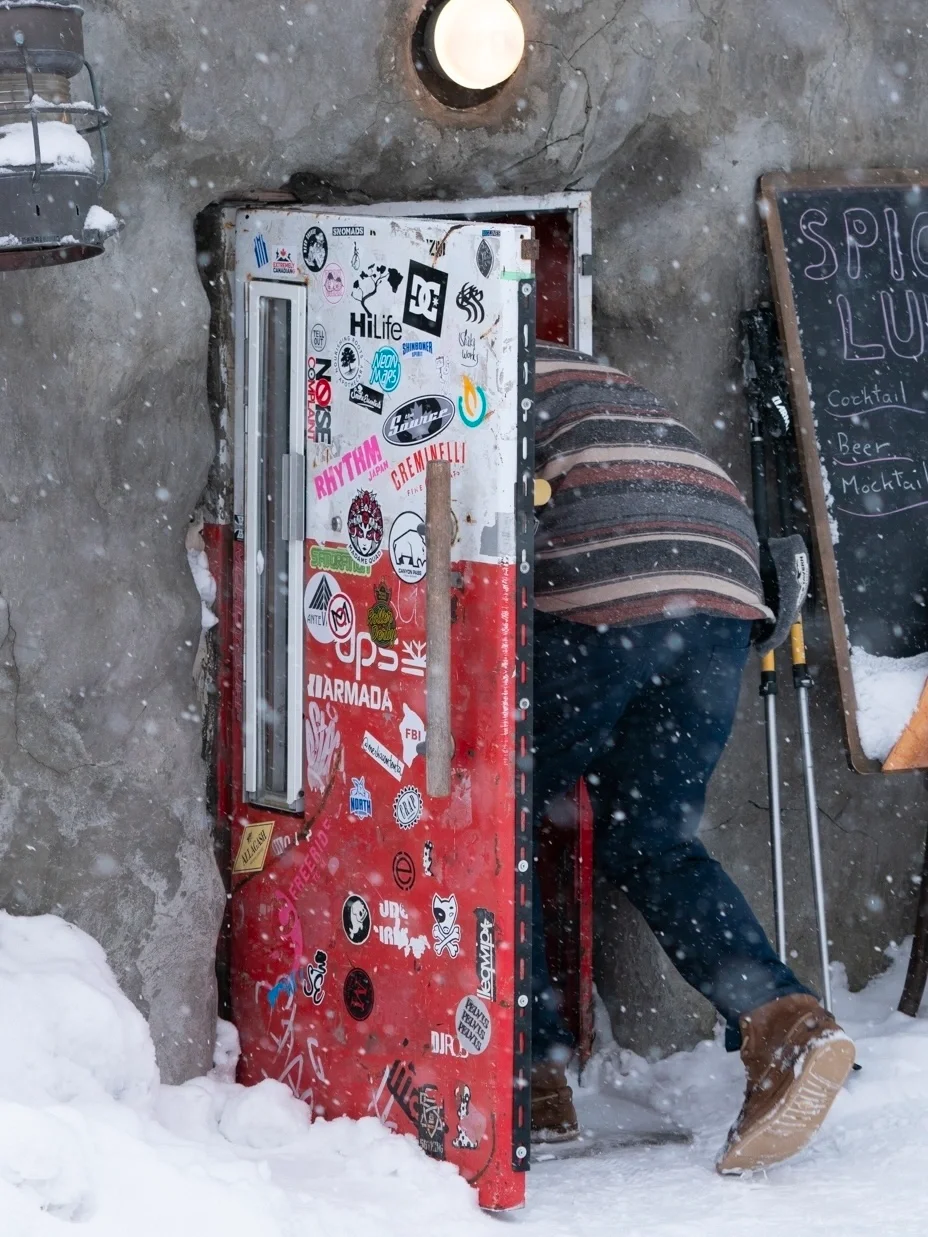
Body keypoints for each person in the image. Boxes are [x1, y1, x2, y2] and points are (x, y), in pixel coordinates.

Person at [529, 342, 855, 1174]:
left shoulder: (459, 356)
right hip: (719, 588)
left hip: (606, 574)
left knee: (502, 819)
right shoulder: (590, 373)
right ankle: (784, 1022)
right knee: (653, 837)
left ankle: (532, 1070)